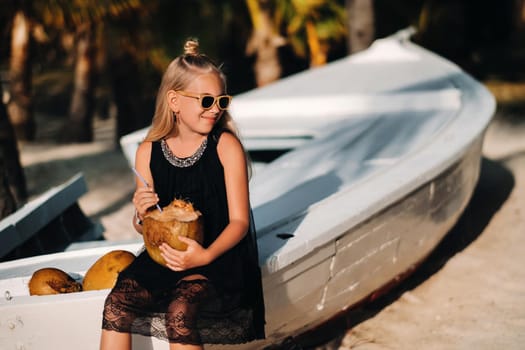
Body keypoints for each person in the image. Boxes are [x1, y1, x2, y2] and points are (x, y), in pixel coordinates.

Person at [100, 38, 265, 350]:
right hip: (168, 256)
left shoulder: (225, 146)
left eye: (222, 101)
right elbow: (146, 229)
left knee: (180, 310)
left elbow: (240, 222)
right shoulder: (147, 152)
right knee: (116, 304)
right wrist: (142, 213)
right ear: (174, 101)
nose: (215, 109)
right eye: (205, 101)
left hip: (218, 254)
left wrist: (204, 255)